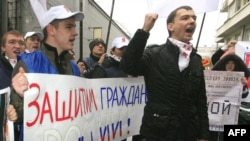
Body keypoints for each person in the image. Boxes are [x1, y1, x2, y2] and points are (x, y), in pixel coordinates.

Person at [120, 6, 209, 141]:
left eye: (194, 18)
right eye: (185, 18)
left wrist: (204, 134)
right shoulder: (154, 54)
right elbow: (129, 66)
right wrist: (144, 31)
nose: (192, 21)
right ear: (171, 26)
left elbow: (201, 100)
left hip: (188, 133)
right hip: (157, 132)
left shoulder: (196, 60)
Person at [10, 5, 84, 141]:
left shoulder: (74, 68)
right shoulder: (28, 64)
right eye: (69, 27)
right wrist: (20, 99)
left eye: (74, 27)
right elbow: (15, 117)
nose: (75, 32)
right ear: (51, 30)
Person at [210, 54, 250, 141]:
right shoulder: (213, 79)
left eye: (232, 63)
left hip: (232, 114)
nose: (230, 65)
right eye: (228, 63)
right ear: (223, 64)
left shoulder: (240, 78)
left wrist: (243, 86)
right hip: (215, 113)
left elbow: (244, 95)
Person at [0, 30, 25, 141]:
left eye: (21, 43)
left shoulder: (31, 67)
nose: (17, 46)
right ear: (3, 47)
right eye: (12, 42)